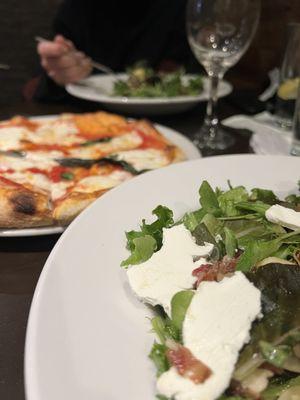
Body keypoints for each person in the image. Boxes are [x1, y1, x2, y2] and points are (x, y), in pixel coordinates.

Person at [34, 0, 197, 101]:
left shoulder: (185, 8)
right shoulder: (75, 10)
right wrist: (61, 74)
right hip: (86, 123)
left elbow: (200, 79)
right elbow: (45, 94)